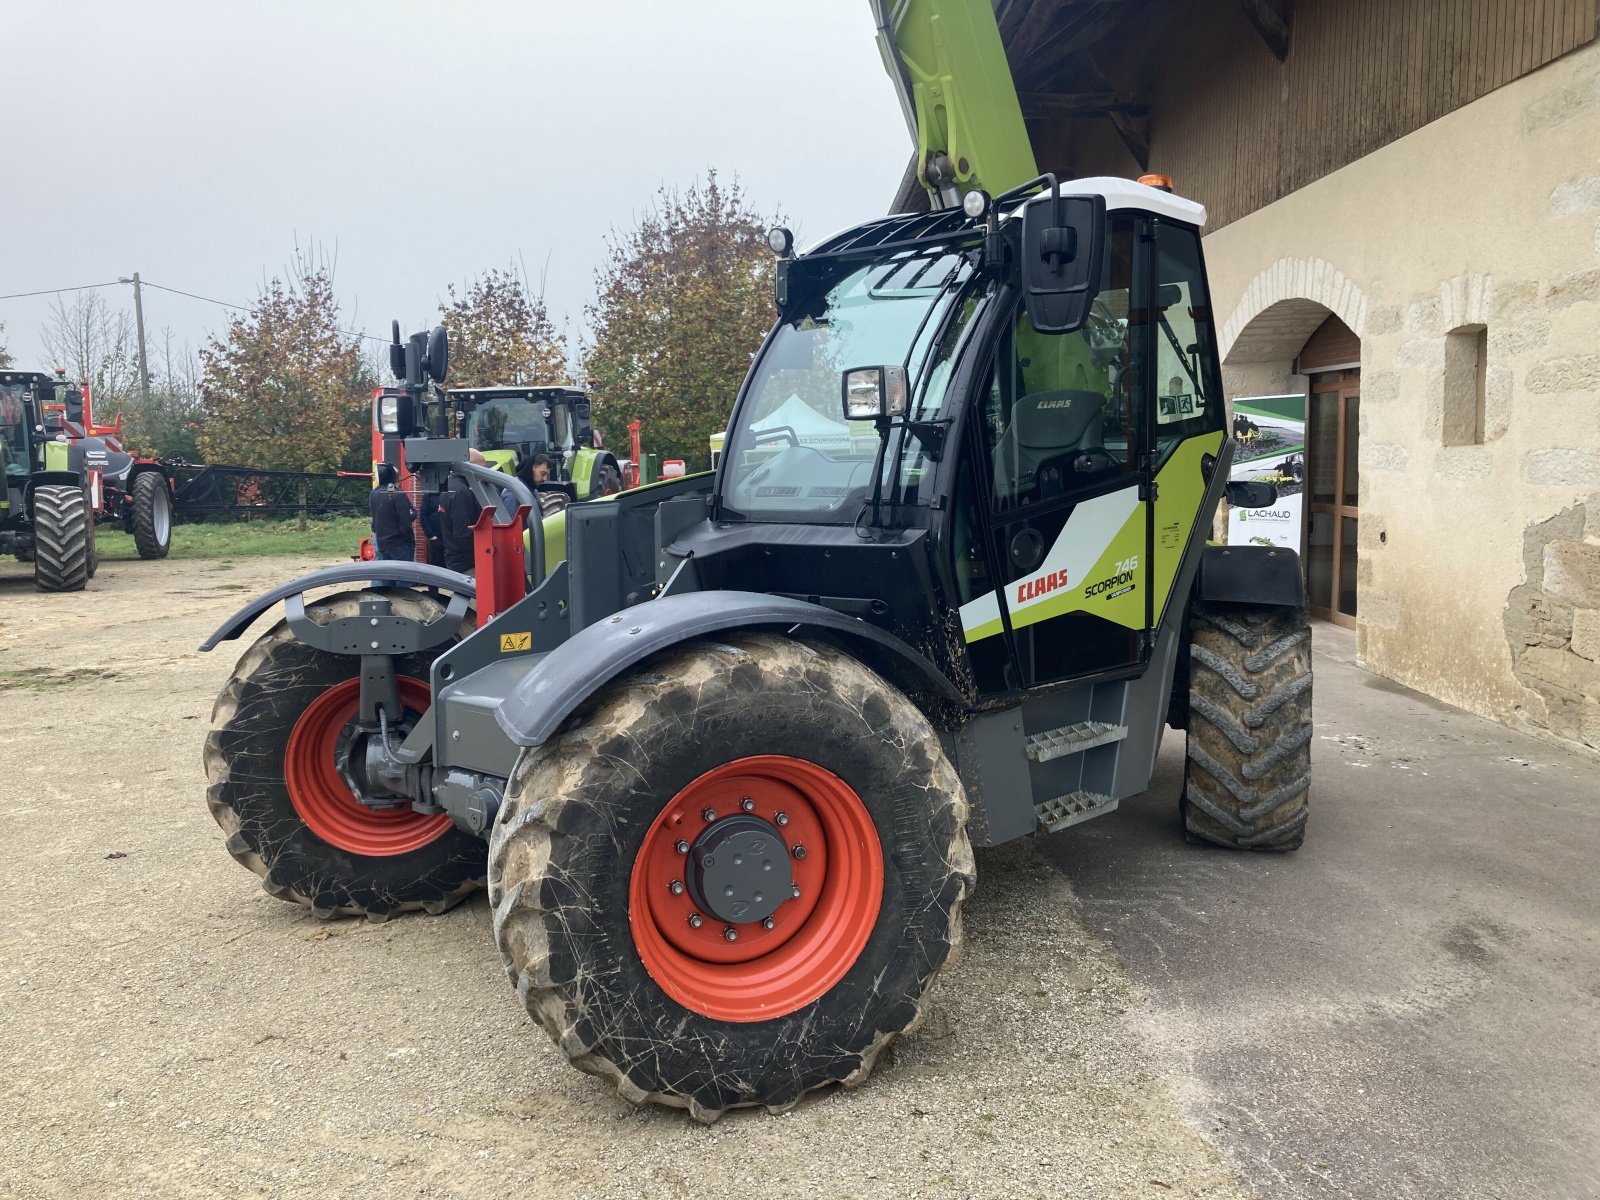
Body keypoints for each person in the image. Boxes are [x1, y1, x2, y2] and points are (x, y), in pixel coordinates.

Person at [438, 448, 488, 575]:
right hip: (467, 563)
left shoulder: (449, 486)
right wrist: (481, 555)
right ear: (470, 467)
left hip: (454, 557)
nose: (483, 474)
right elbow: (463, 533)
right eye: (482, 469)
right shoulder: (462, 492)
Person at [369, 464, 417, 586]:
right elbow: (406, 518)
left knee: (384, 576)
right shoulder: (397, 494)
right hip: (399, 543)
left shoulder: (374, 494)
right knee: (403, 577)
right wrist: (407, 538)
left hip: (382, 542)